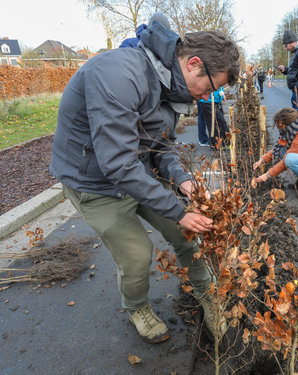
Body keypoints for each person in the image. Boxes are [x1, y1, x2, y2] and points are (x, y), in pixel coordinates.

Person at [50, 19, 240, 344]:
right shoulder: (119, 75)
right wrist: (179, 211)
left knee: (186, 235)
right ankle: (136, 307)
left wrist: (183, 182)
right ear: (193, 64)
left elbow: (161, 144)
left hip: (137, 172)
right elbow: (117, 163)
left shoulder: (171, 85)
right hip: (95, 184)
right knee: (138, 254)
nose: (208, 95)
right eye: (210, 87)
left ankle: (207, 294)